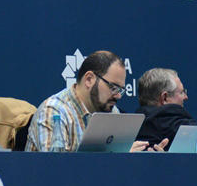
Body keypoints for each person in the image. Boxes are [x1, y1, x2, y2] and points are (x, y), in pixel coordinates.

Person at [26, 50, 166, 152]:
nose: (118, 96)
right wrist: (119, 161)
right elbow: (56, 171)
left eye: (121, 90)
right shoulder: (53, 112)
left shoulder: (112, 112)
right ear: (89, 79)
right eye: (113, 87)